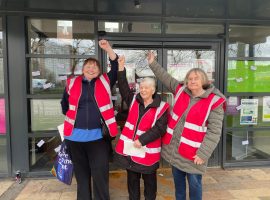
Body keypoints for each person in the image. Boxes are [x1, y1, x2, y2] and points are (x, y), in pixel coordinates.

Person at [147, 52, 226, 200]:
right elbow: (166, 77)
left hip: (194, 154)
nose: (192, 81)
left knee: (195, 186)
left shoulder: (214, 101)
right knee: (179, 187)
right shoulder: (181, 90)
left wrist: (203, 154)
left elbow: (214, 132)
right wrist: (153, 63)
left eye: (196, 78)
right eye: (190, 78)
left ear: (204, 80)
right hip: (175, 150)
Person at [61, 39, 118, 200]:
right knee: (82, 177)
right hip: (74, 138)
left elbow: (115, 66)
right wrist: (74, 117)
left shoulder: (105, 81)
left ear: (99, 70)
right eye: (88, 66)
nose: (91, 68)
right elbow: (64, 104)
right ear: (83, 69)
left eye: (95, 66)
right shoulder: (72, 83)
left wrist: (108, 49)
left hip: (98, 138)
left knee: (100, 176)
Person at [115, 56, 169, 200]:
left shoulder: (162, 107)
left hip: (148, 154)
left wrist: (142, 140)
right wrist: (121, 68)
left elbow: (160, 128)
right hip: (131, 152)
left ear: (153, 90)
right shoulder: (133, 100)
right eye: (141, 87)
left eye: (146, 88)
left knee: (150, 186)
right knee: (132, 184)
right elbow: (123, 86)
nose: (143, 90)